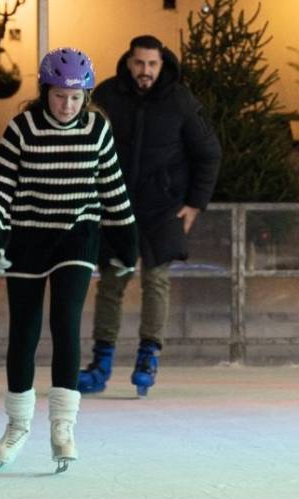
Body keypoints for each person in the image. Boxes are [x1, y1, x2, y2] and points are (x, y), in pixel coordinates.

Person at [0, 48, 138, 473]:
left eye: (75, 97)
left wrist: (127, 244)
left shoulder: (96, 129)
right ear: (44, 91)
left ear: (85, 96)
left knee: (65, 323)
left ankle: (63, 425)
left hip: (76, 238)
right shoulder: (22, 129)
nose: (66, 105)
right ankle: (17, 425)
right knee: (25, 332)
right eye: (58, 96)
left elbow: (113, 189)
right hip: (28, 239)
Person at [78, 35, 221, 397]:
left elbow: (208, 152)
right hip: (116, 205)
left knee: (155, 280)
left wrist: (194, 203)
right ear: (129, 62)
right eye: (139, 63)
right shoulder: (107, 96)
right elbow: (85, 146)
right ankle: (102, 361)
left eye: (152, 64)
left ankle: (148, 356)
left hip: (162, 207)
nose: (145, 71)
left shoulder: (180, 101)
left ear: (162, 64)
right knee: (111, 282)